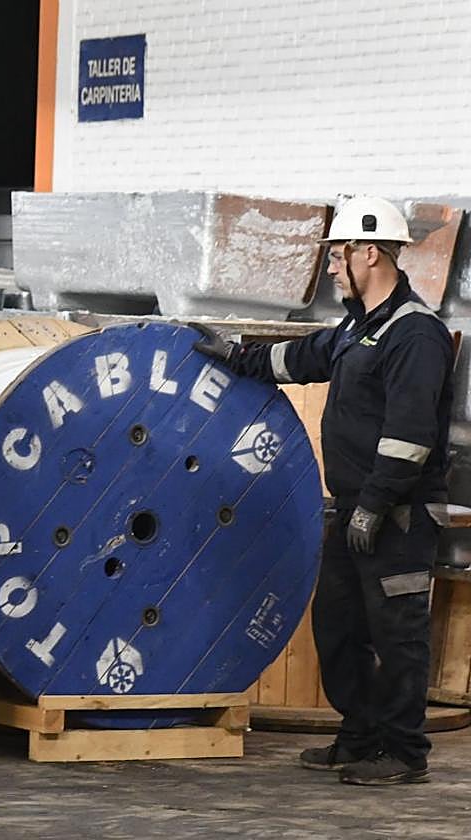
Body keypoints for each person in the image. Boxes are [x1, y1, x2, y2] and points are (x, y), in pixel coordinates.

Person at [193, 196, 453, 786]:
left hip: (399, 517)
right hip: (355, 510)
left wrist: (377, 506)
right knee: (338, 627)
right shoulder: (360, 328)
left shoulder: (416, 334)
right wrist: (239, 356)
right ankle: (359, 735)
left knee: (398, 635)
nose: (332, 268)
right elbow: (302, 358)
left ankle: (404, 752)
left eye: (338, 256)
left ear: (370, 253)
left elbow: (409, 437)